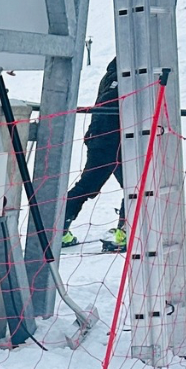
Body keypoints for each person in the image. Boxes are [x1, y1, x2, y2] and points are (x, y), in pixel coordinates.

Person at [61, 60, 125, 249]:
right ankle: (126, 231)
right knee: (136, 186)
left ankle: (57, 228)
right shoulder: (126, 79)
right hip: (117, 141)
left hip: (100, 139)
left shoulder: (110, 78)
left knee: (87, 185)